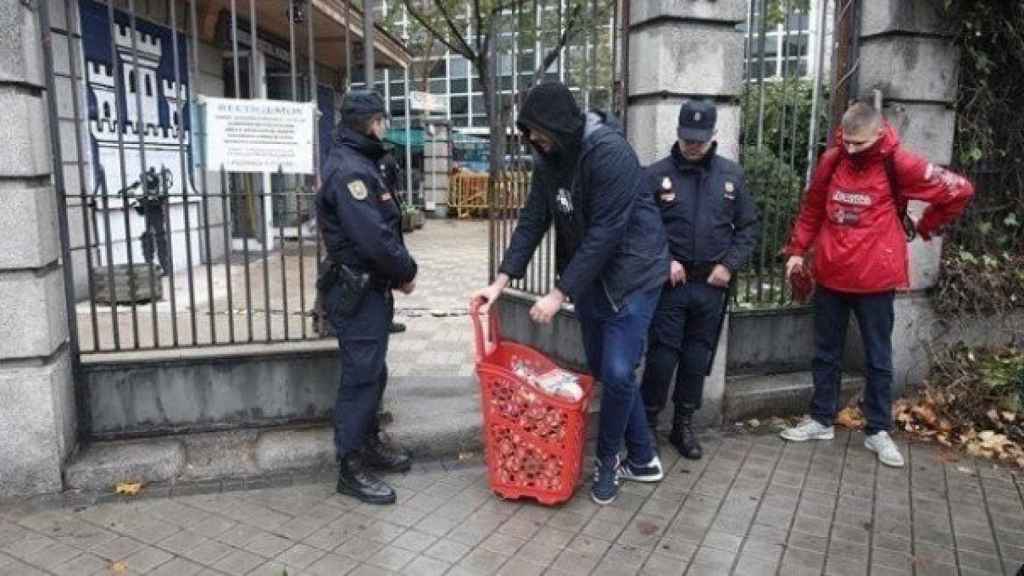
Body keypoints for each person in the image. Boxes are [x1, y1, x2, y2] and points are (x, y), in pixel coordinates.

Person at [471, 82, 670, 505]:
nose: (533, 142)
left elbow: (605, 234)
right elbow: (532, 221)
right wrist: (500, 282)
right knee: (605, 370)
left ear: (559, 126)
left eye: (538, 134)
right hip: (593, 278)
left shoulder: (609, 154)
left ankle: (608, 460)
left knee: (617, 372)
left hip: (633, 274)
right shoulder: (549, 159)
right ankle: (644, 456)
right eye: (529, 135)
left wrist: (559, 293)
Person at [779, 102, 974, 467]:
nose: (851, 150)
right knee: (825, 353)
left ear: (878, 135)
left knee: (878, 357)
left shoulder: (899, 163)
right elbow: (813, 207)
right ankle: (821, 419)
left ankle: (878, 430)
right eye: (846, 142)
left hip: (875, 280)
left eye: (859, 144)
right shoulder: (832, 160)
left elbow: (959, 190)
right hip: (832, 274)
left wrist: (929, 225)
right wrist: (796, 249)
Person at [640, 101, 760, 460]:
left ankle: (683, 425)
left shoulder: (731, 176)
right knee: (662, 358)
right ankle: (647, 426)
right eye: (687, 138)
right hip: (670, 285)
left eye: (699, 140)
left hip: (711, 284)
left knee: (696, 358)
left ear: (713, 137)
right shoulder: (655, 175)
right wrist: (665, 260)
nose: (692, 146)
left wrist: (729, 265)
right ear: (678, 133)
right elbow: (642, 229)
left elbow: (749, 228)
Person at [316, 90, 417, 504]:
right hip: (356, 290)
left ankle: (369, 443)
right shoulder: (349, 172)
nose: (385, 128)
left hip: (370, 289)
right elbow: (374, 237)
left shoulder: (363, 163)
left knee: (373, 372)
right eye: (382, 121)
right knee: (360, 378)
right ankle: (349, 467)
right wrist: (406, 272)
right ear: (370, 122)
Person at [129, 166, 171, 275]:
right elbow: (143, 211)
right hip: (150, 225)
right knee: (147, 241)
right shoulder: (147, 196)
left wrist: (141, 201)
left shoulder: (159, 194)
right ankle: (150, 267)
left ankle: (166, 269)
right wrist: (136, 204)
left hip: (158, 225)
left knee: (160, 243)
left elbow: (156, 203)